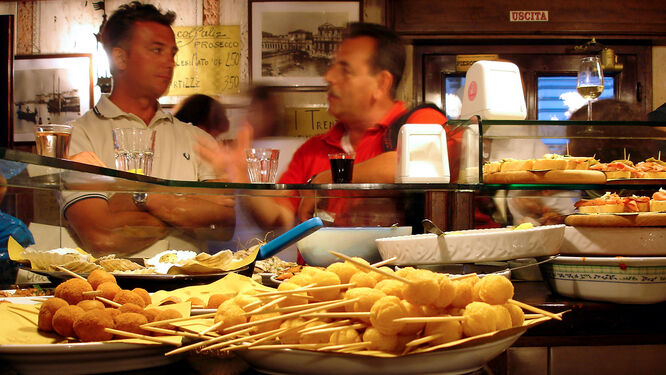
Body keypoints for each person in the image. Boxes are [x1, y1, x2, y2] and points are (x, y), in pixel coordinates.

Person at [199, 22, 457, 232]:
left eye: (344, 70)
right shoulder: (312, 149)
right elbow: (279, 218)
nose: (329, 76)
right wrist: (243, 178)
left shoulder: (421, 120)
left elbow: (416, 165)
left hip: (392, 282)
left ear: (381, 83)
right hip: (318, 285)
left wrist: (327, 178)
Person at [60, 1, 235, 257]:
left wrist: (139, 198)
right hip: (116, 293)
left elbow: (223, 225)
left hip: (190, 290)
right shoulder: (78, 136)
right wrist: (184, 209)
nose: (169, 62)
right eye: (156, 50)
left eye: (172, 53)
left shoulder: (197, 138)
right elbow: (102, 237)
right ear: (120, 57)